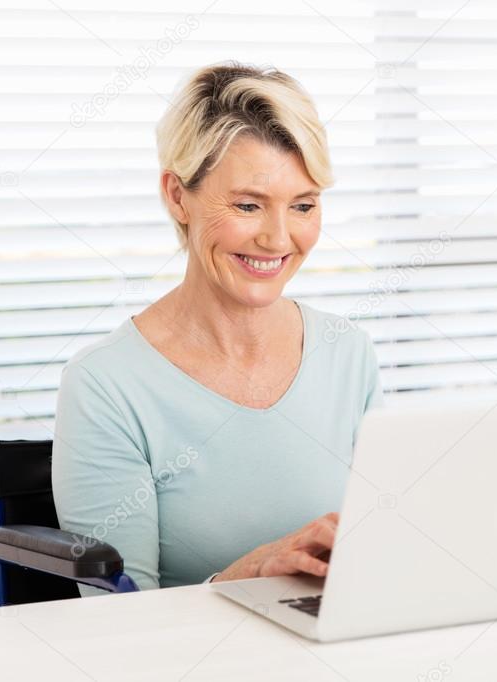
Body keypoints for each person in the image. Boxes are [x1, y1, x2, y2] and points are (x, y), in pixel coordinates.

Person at [51, 61, 383, 595]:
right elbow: (114, 620)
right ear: (178, 196)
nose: (277, 239)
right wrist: (246, 576)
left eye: (303, 205)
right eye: (249, 205)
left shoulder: (349, 354)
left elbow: (382, 551)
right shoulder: (106, 385)